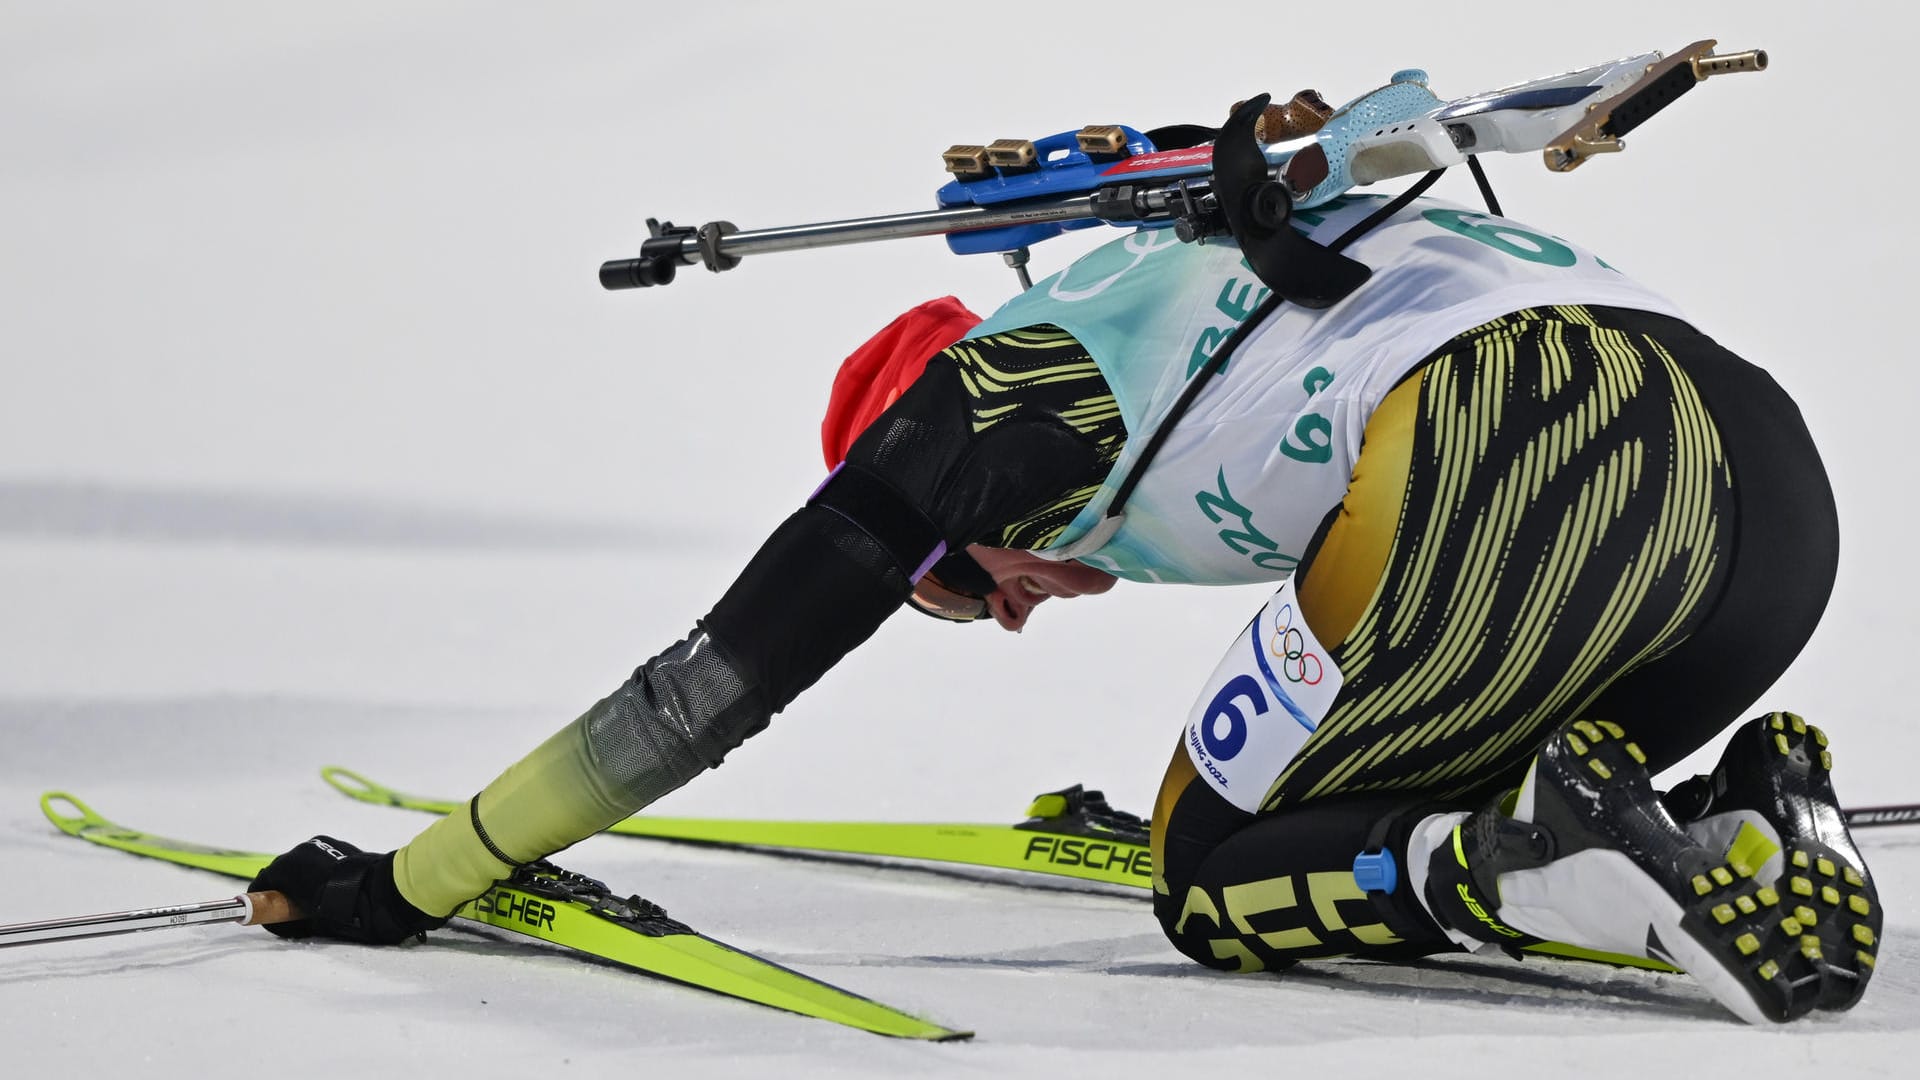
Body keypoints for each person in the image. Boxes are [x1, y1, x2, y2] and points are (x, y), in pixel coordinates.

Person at [246, 177, 1876, 1025]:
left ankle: (1535, 863)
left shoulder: (980, 406)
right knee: (1380, 774)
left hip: (1518, 429)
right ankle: (1754, 814)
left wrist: (424, 876)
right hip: (1769, 502)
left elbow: (708, 686)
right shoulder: (1153, 297)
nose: (1012, 610)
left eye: (963, 586)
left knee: (1207, 873)